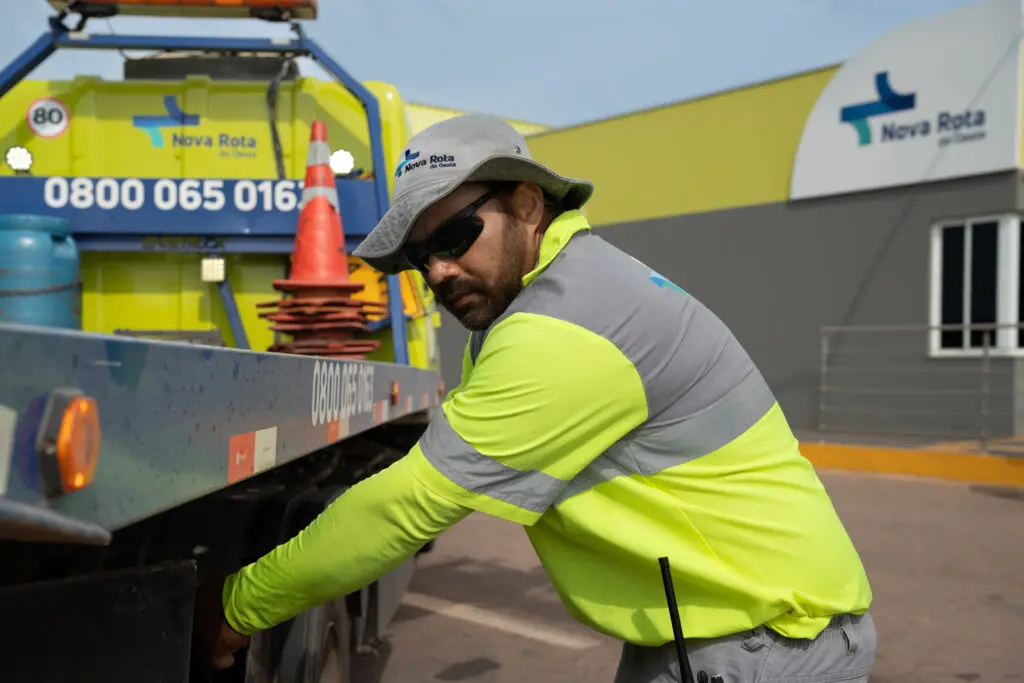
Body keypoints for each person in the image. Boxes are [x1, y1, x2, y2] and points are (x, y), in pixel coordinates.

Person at [195, 113, 876, 682]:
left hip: (765, 643)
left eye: (457, 235)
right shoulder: (566, 293)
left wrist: (240, 602)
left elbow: (409, 504)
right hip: (720, 628)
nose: (437, 269)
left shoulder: (565, 327)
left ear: (528, 204)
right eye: (419, 255)